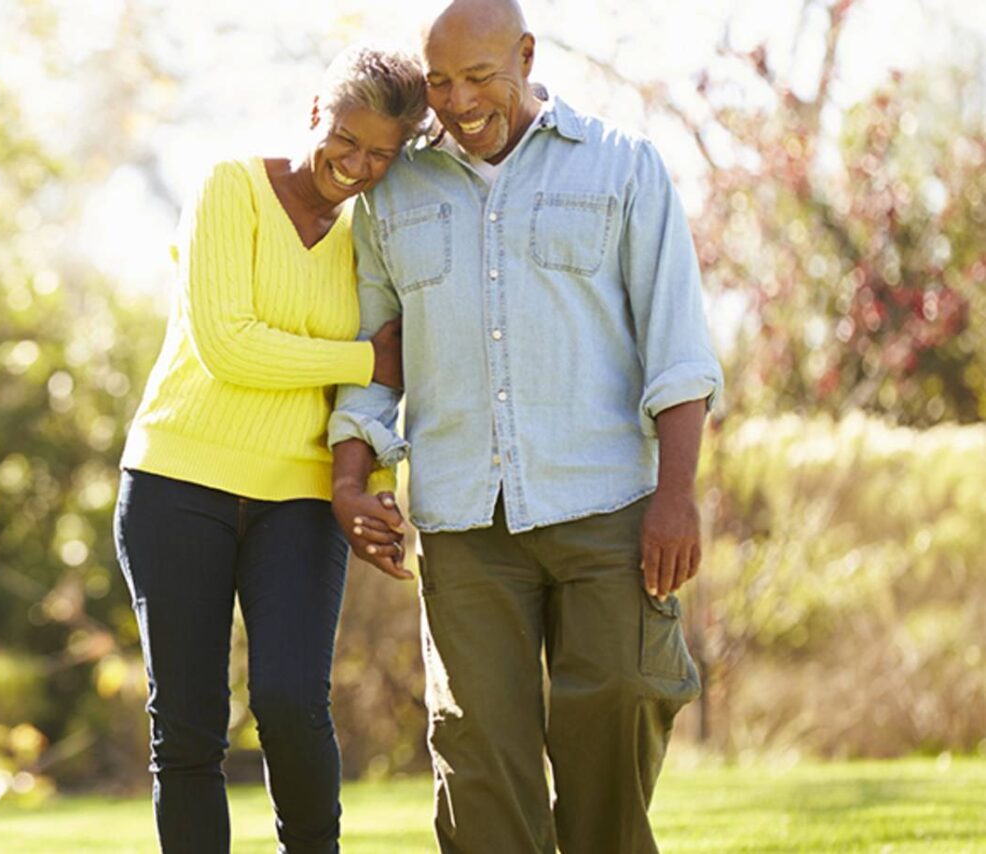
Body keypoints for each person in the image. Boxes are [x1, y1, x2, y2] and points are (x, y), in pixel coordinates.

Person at [327, 1, 724, 851]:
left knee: (619, 704)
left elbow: (679, 347)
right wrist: (353, 476)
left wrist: (677, 496)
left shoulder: (622, 166)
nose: (460, 102)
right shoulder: (394, 193)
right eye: (439, 82)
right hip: (466, 523)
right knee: (479, 763)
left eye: (480, 76)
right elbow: (373, 350)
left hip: (608, 503)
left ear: (528, 55)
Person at [114, 45, 429, 852]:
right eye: (345, 140)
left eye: (381, 156)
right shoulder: (231, 188)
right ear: (313, 113)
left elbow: (381, 377)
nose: (357, 166)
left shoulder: (371, 234)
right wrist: (362, 358)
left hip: (299, 496)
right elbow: (231, 345)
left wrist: (379, 472)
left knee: (292, 702)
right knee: (187, 727)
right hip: (178, 482)